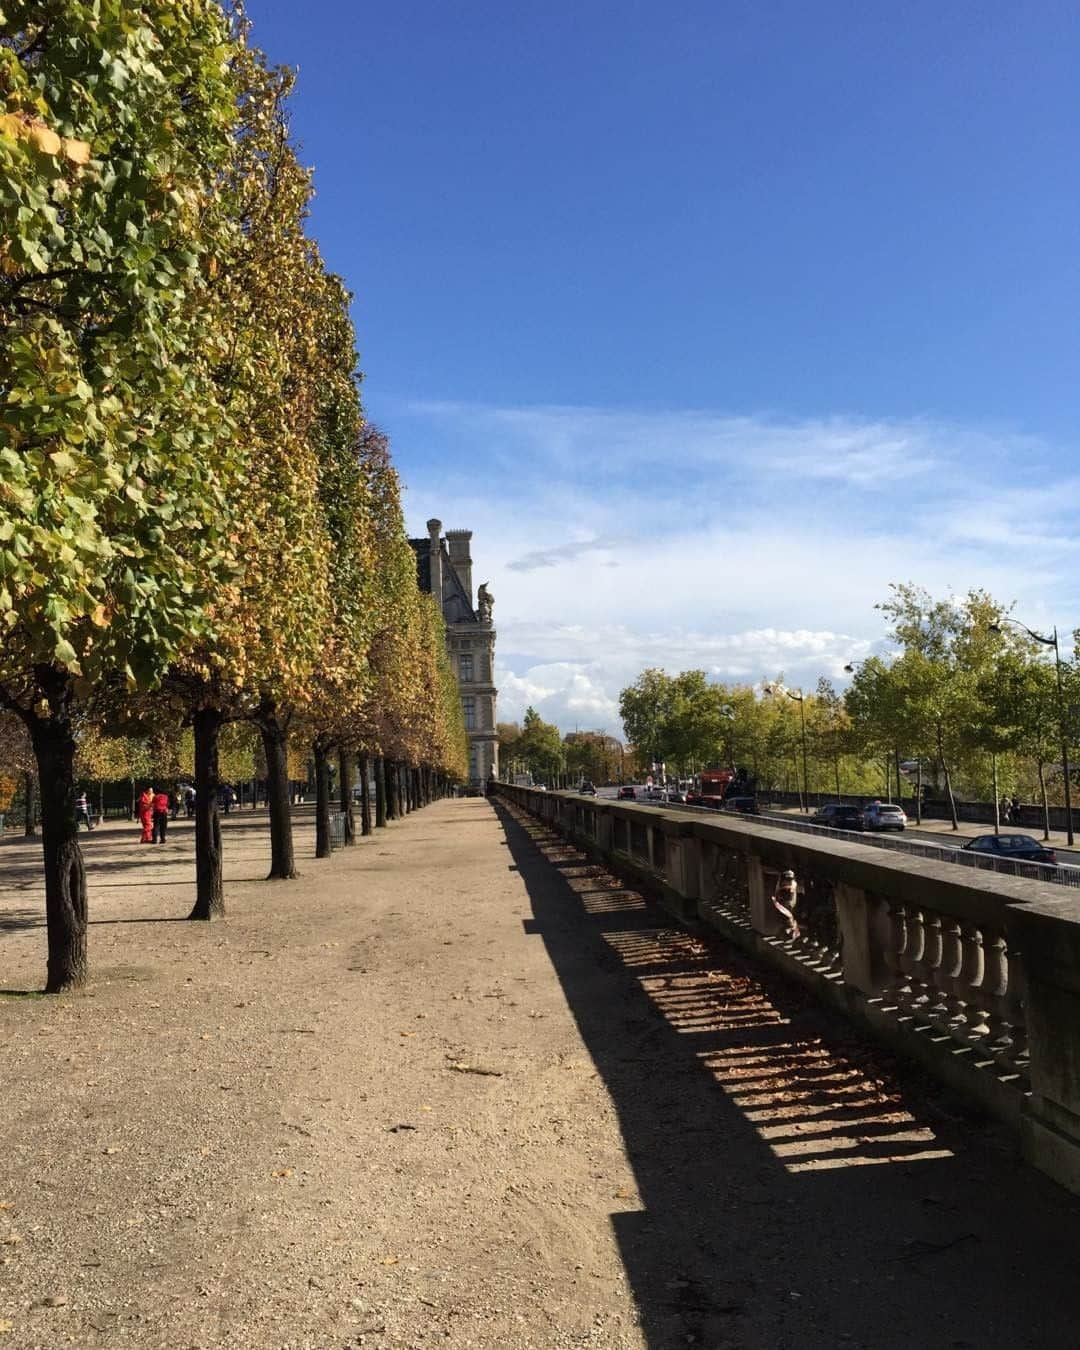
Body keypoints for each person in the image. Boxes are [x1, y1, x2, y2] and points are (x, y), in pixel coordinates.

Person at [771, 868, 800, 938]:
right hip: (785, 902)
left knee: (788, 914)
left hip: (789, 902)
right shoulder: (785, 884)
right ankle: (788, 929)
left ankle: (790, 929)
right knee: (785, 915)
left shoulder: (792, 885)